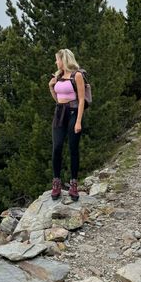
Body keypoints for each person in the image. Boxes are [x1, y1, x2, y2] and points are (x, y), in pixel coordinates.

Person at [48, 48, 85, 201]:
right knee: (57, 148)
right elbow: (57, 99)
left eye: (57, 59)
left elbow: (81, 99)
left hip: (73, 112)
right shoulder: (58, 76)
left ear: (64, 60)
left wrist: (78, 121)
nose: (56, 62)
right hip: (59, 113)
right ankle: (56, 182)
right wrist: (51, 86)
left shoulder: (77, 76)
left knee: (73, 148)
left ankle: (73, 184)